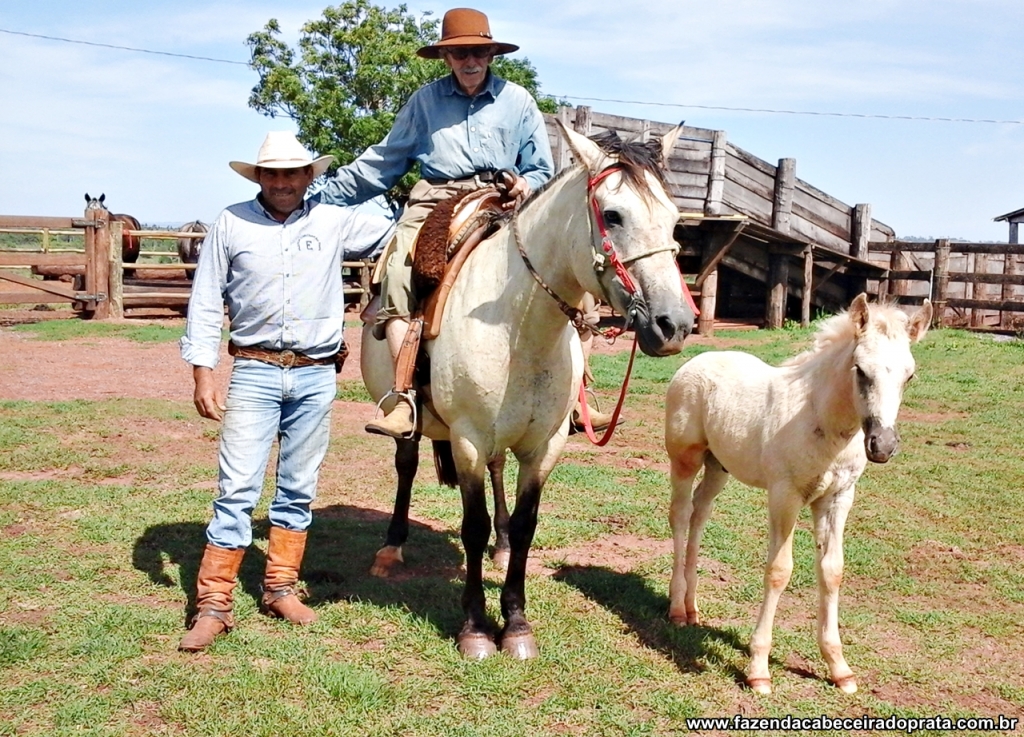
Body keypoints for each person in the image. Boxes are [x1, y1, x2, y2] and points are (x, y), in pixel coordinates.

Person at [317, 7, 614, 438]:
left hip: (503, 198)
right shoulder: (425, 102)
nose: (469, 61)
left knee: (576, 284)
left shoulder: (518, 101)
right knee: (399, 274)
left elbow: (540, 169)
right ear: (445, 58)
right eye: (459, 55)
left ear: (491, 53)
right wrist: (321, 197)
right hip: (436, 198)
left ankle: (577, 397)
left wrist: (523, 185)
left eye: (478, 51)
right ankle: (403, 400)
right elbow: (383, 163)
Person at [177, 131, 361, 652]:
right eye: (272, 173)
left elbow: (403, 235)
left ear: (309, 177)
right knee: (236, 487)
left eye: (292, 173)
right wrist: (202, 370)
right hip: (255, 370)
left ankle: (280, 586)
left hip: (316, 372)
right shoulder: (231, 222)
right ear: (259, 177)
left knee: (298, 485)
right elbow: (207, 298)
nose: (282, 182)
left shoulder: (335, 221)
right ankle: (213, 603)